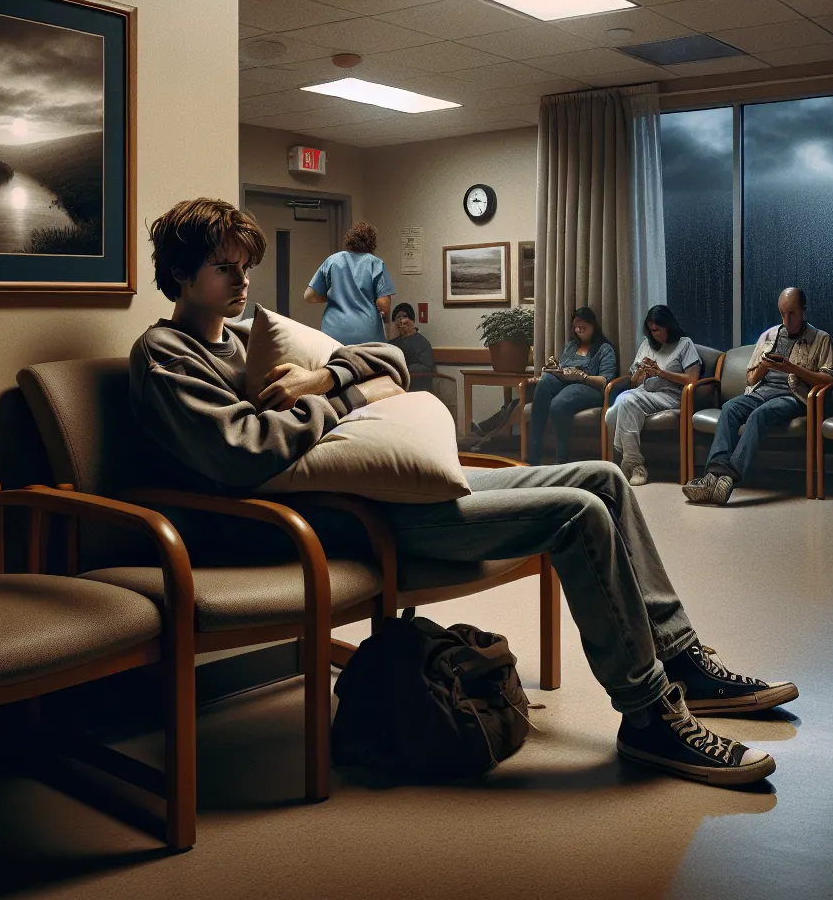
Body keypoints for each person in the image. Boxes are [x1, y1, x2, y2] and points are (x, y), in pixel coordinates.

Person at [129, 198, 797, 789]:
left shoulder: (255, 340)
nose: (243, 281)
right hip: (345, 518)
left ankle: (685, 662)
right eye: (225, 267)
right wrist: (343, 402)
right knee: (577, 514)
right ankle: (648, 713)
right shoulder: (166, 355)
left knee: (605, 477)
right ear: (183, 274)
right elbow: (243, 450)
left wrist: (321, 382)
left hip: (392, 485)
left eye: (246, 267)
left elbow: (389, 360)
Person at [684, 287, 833, 506]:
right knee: (729, 408)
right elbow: (750, 379)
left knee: (759, 415)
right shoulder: (768, 336)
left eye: (792, 313)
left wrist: (792, 368)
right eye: (782, 313)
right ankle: (713, 475)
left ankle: (729, 478)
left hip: (792, 397)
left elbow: (828, 379)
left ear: (804, 310)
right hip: (760, 392)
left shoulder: (821, 339)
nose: (786, 319)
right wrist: (764, 367)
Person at [608, 305, 703, 487]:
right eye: (651, 330)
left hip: (671, 396)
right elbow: (634, 383)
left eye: (658, 330)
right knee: (618, 406)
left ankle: (633, 464)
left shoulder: (684, 344)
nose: (654, 334)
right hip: (644, 393)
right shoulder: (646, 344)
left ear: (668, 326)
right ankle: (632, 464)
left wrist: (661, 373)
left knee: (624, 402)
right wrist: (641, 372)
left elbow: (692, 379)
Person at [527, 307, 619, 466]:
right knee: (544, 384)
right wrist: (548, 374)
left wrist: (581, 376)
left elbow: (605, 381)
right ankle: (534, 454)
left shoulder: (604, 349)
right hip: (565, 381)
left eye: (583, 327)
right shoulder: (571, 345)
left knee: (558, 404)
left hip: (589, 388)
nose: (579, 330)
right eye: (576, 327)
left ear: (593, 326)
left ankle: (561, 458)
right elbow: (561, 368)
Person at [304, 221, 394, 345]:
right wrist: (388, 325)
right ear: (372, 243)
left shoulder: (333, 261)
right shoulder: (376, 264)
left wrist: (334, 296)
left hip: (333, 333)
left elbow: (309, 296)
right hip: (366, 334)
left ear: (349, 240)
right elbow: (384, 305)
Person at [387, 303, 434, 377]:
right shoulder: (392, 344)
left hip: (417, 383)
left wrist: (405, 368)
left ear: (413, 320)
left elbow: (427, 366)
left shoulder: (422, 343)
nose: (401, 321)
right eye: (398, 317)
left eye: (405, 316)